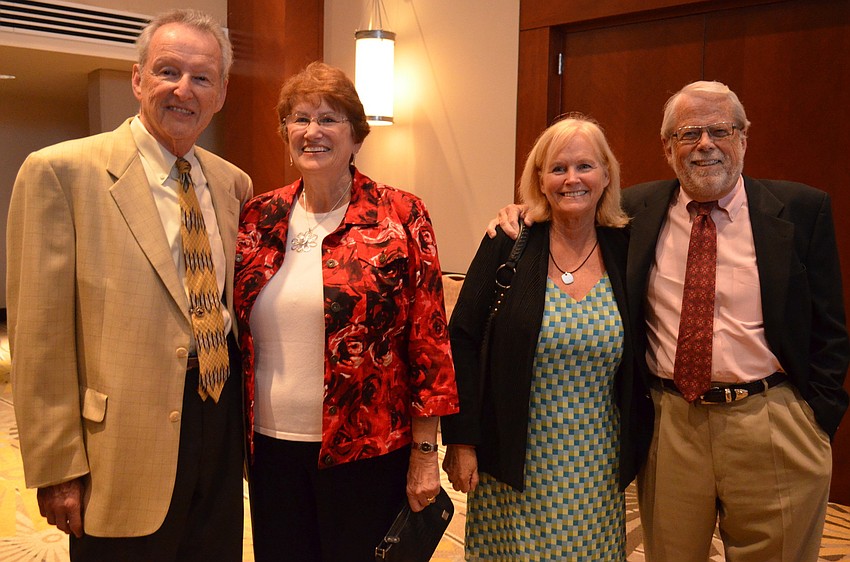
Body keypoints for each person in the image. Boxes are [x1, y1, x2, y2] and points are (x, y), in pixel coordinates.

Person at [493, 81, 850, 561]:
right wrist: (519, 214)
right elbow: (564, 204)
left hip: (772, 421)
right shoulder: (633, 212)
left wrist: (816, 421)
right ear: (668, 147)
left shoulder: (802, 210)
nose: (705, 144)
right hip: (670, 425)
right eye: (689, 133)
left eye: (720, 130)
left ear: (744, 138)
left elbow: (831, 328)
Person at [7, 9, 252, 561]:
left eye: (202, 78)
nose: (183, 90)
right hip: (118, 446)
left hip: (218, 423)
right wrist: (58, 467)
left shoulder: (233, 183)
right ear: (137, 79)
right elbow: (39, 338)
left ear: (222, 93)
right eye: (168, 71)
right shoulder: (60, 173)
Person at [232, 61, 458, 562]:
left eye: (329, 118)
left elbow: (429, 341)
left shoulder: (400, 215)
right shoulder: (259, 216)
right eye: (299, 118)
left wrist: (425, 454)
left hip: (369, 450)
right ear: (285, 133)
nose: (312, 131)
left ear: (357, 136)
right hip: (271, 449)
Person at [441, 115, 651, 560]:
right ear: (539, 178)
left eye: (585, 166)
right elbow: (461, 338)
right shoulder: (508, 241)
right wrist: (461, 440)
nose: (571, 179)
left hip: (596, 461)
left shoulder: (627, 246)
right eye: (558, 168)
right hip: (512, 457)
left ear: (607, 174)